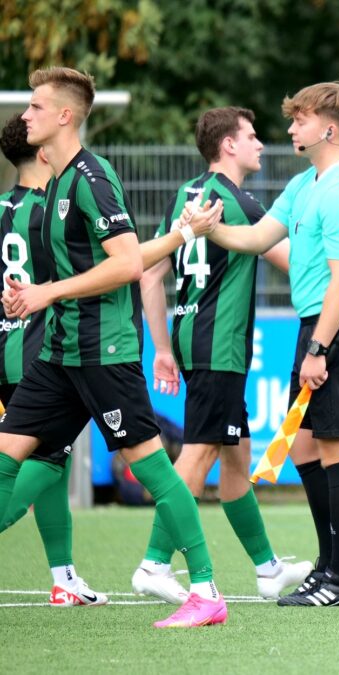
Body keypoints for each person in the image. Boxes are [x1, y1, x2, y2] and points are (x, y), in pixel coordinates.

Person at [0, 67, 226, 628]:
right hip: (57, 355)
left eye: (34, 106)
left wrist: (45, 292)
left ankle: (206, 592)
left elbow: (124, 263)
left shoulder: (91, 176)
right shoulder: (52, 182)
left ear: (64, 117)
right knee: (6, 458)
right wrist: (29, 296)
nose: (24, 115)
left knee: (153, 473)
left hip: (104, 354)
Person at [196, 81, 339, 607]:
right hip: (314, 327)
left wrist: (319, 350)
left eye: (300, 118)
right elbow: (255, 239)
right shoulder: (304, 185)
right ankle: (328, 565)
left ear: (329, 128)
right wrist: (208, 228)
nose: (291, 127)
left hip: (335, 329)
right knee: (303, 446)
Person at [131, 106, 311, 604]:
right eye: (251, 136)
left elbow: (149, 275)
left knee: (237, 459)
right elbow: (293, 262)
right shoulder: (238, 201)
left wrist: (163, 348)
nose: (260, 145)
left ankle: (267, 567)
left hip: (192, 340)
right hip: (220, 346)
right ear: (227, 145)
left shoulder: (184, 197)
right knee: (200, 452)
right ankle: (153, 564)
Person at [0, 113, 107, 607]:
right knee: (44, 462)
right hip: (46, 359)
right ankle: (64, 578)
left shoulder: (1, 210)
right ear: (43, 151)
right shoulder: (56, 209)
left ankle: (64, 579)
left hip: (6, 356)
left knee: (52, 472)